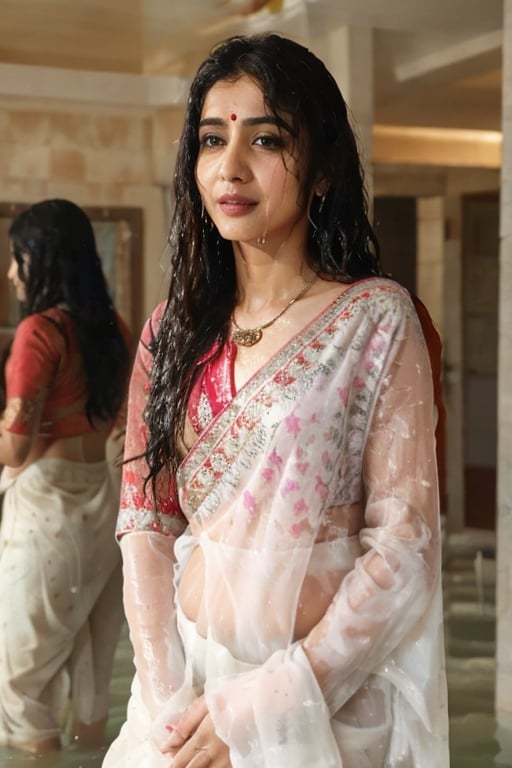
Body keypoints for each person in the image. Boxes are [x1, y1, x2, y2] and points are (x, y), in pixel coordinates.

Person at [104, 33, 449, 768]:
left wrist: (263, 708)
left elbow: (405, 547)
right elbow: (144, 525)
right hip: (181, 710)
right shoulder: (171, 334)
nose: (229, 167)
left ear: (321, 168)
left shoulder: (375, 320)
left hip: (319, 708)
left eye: (265, 139)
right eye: (209, 139)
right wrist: (174, 716)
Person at [0, 199, 132, 754]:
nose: (10, 272)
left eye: (17, 258)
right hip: (104, 510)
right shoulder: (115, 328)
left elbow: (14, 448)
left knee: (20, 689)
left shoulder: (39, 332)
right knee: (93, 670)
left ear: (41, 259)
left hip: (46, 514)